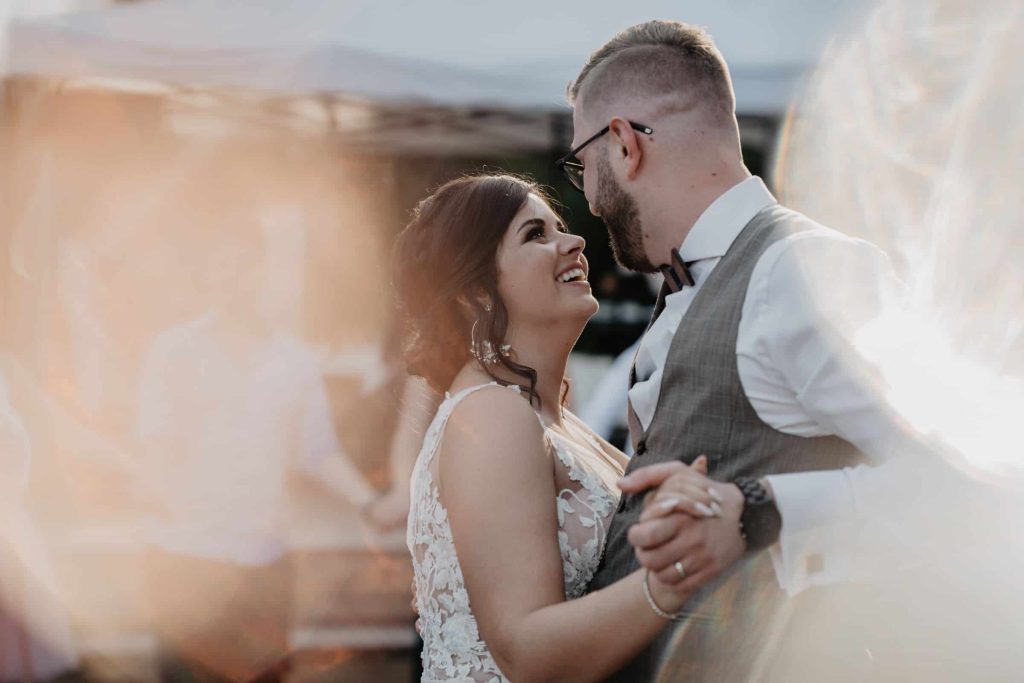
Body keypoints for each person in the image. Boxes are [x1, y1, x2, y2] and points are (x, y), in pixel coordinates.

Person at [562, 20, 919, 681]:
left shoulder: (802, 270)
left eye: (583, 164)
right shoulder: (685, 289)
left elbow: (948, 474)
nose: (586, 192)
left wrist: (762, 509)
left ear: (622, 144)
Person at [395, 173, 716, 682]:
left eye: (559, 227)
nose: (575, 242)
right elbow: (526, 653)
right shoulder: (490, 415)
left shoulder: (556, 421)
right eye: (535, 235)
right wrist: (672, 579)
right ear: (477, 291)